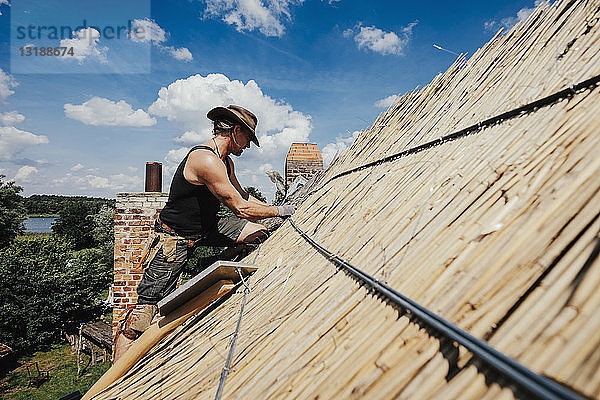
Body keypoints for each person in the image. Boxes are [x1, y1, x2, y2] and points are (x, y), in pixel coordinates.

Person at [115, 105, 295, 355]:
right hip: (175, 238)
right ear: (236, 130)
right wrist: (280, 212)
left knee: (258, 232)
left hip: (208, 227)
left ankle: (222, 265)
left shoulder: (226, 163)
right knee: (141, 318)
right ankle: (116, 383)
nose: (248, 146)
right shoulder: (206, 160)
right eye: (247, 139)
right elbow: (240, 208)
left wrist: (278, 208)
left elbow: (244, 197)